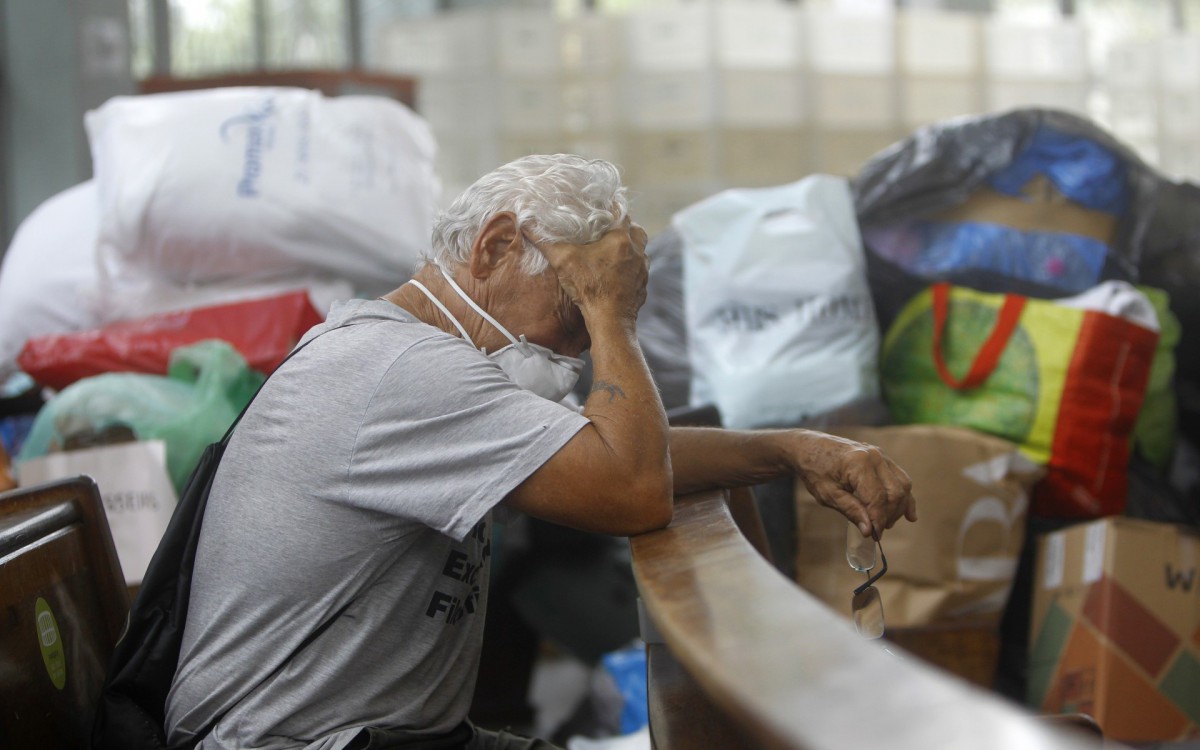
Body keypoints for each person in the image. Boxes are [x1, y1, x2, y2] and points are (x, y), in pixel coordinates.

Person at [164, 154, 917, 750]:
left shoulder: (418, 362)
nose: (578, 346)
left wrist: (790, 450)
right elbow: (630, 489)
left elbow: (605, 455)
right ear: (494, 248)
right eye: (573, 306)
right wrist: (613, 314)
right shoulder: (405, 371)